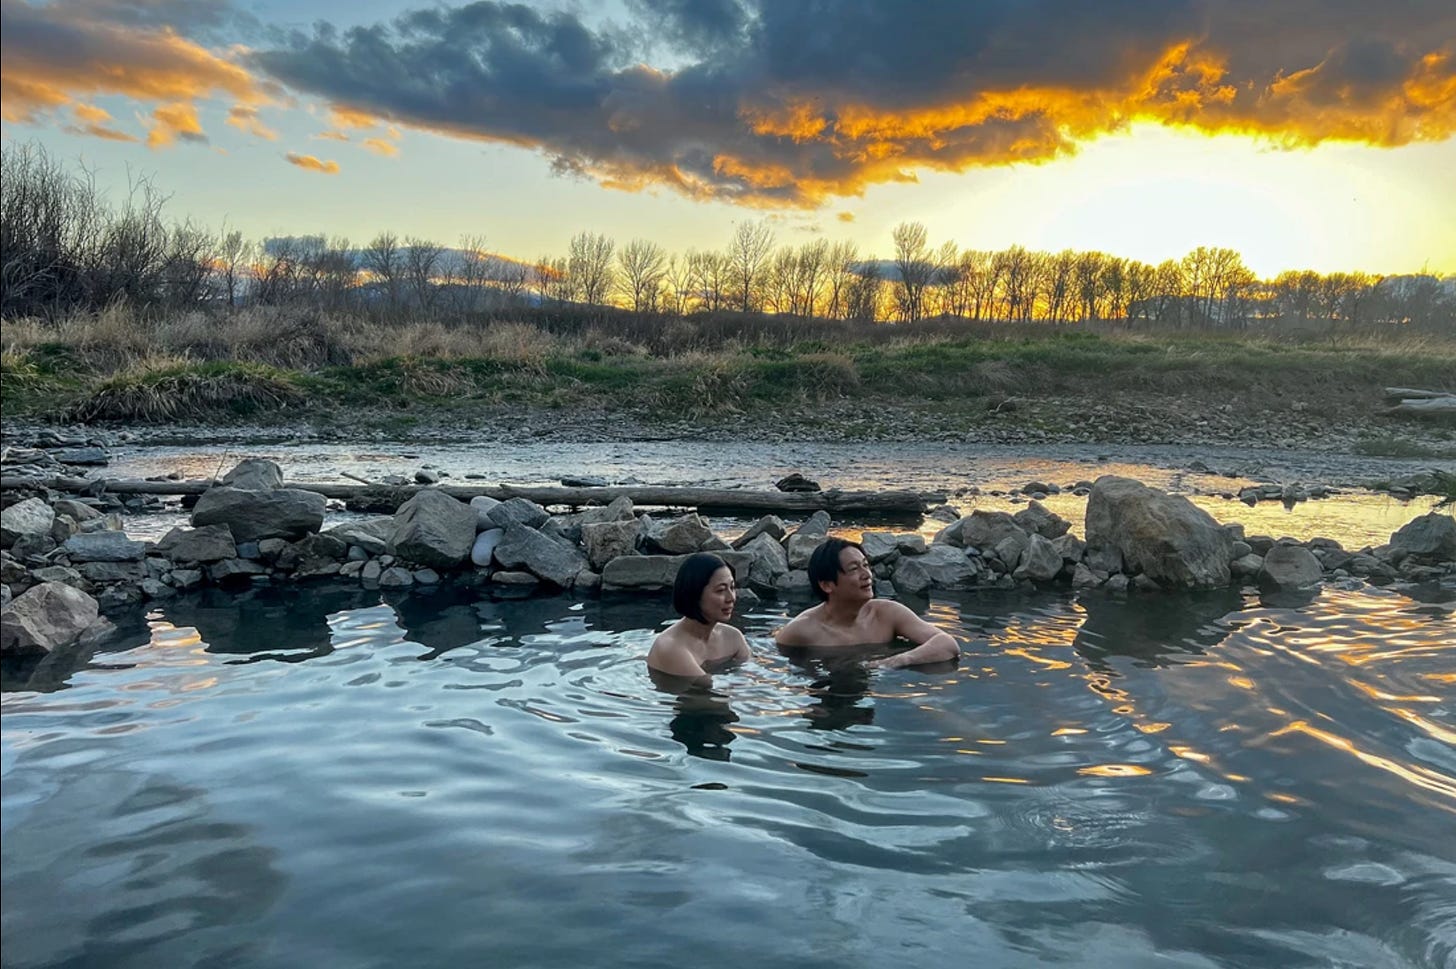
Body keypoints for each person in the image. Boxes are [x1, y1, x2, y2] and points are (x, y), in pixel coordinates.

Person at [773, 537, 960, 669]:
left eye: (866, 565)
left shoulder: (887, 613)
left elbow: (947, 644)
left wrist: (894, 662)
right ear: (827, 585)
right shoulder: (800, 631)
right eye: (854, 569)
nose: (867, 575)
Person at [646, 552, 751, 680]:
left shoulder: (733, 637)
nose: (731, 598)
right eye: (720, 590)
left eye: (732, 587)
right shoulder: (671, 648)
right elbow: (706, 692)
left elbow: (749, 679)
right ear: (695, 593)